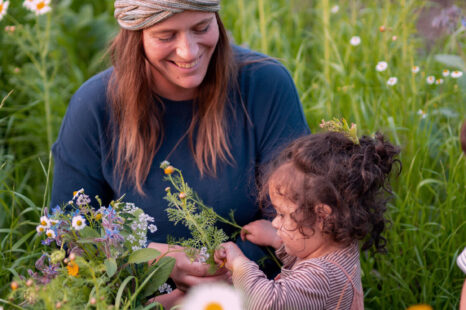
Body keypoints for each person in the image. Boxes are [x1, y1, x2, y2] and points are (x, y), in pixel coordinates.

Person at [50, 0, 310, 303]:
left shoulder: (264, 86)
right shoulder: (95, 106)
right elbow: (65, 240)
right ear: (136, 36)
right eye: (165, 36)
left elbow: (302, 229)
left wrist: (222, 276)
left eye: (201, 28)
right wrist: (149, 259)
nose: (188, 51)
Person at [215, 129, 401, 309]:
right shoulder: (337, 242)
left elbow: (264, 302)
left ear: (322, 216)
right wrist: (275, 238)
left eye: (282, 215)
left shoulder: (321, 278)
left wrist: (238, 263)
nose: (275, 222)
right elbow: (308, 247)